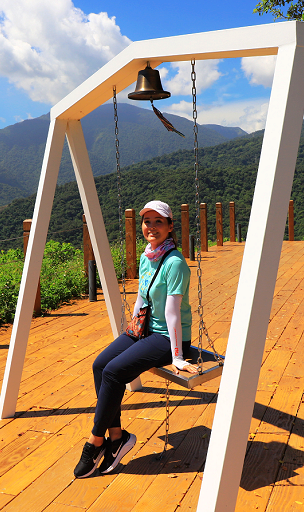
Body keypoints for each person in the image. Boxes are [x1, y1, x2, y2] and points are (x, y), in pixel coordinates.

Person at [73, 200, 199, 478]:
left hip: (168, 337)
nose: (151, 227)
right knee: (100, 365)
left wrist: (177, 356)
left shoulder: (175, 263)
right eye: (147, 221)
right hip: (146, 330)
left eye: (158, 222)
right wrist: (133, 328)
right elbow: (142, 296)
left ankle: (96, 441)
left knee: (114, 372)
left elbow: (172, 313)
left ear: (170, 226)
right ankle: (117, 437)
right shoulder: (147, 256)